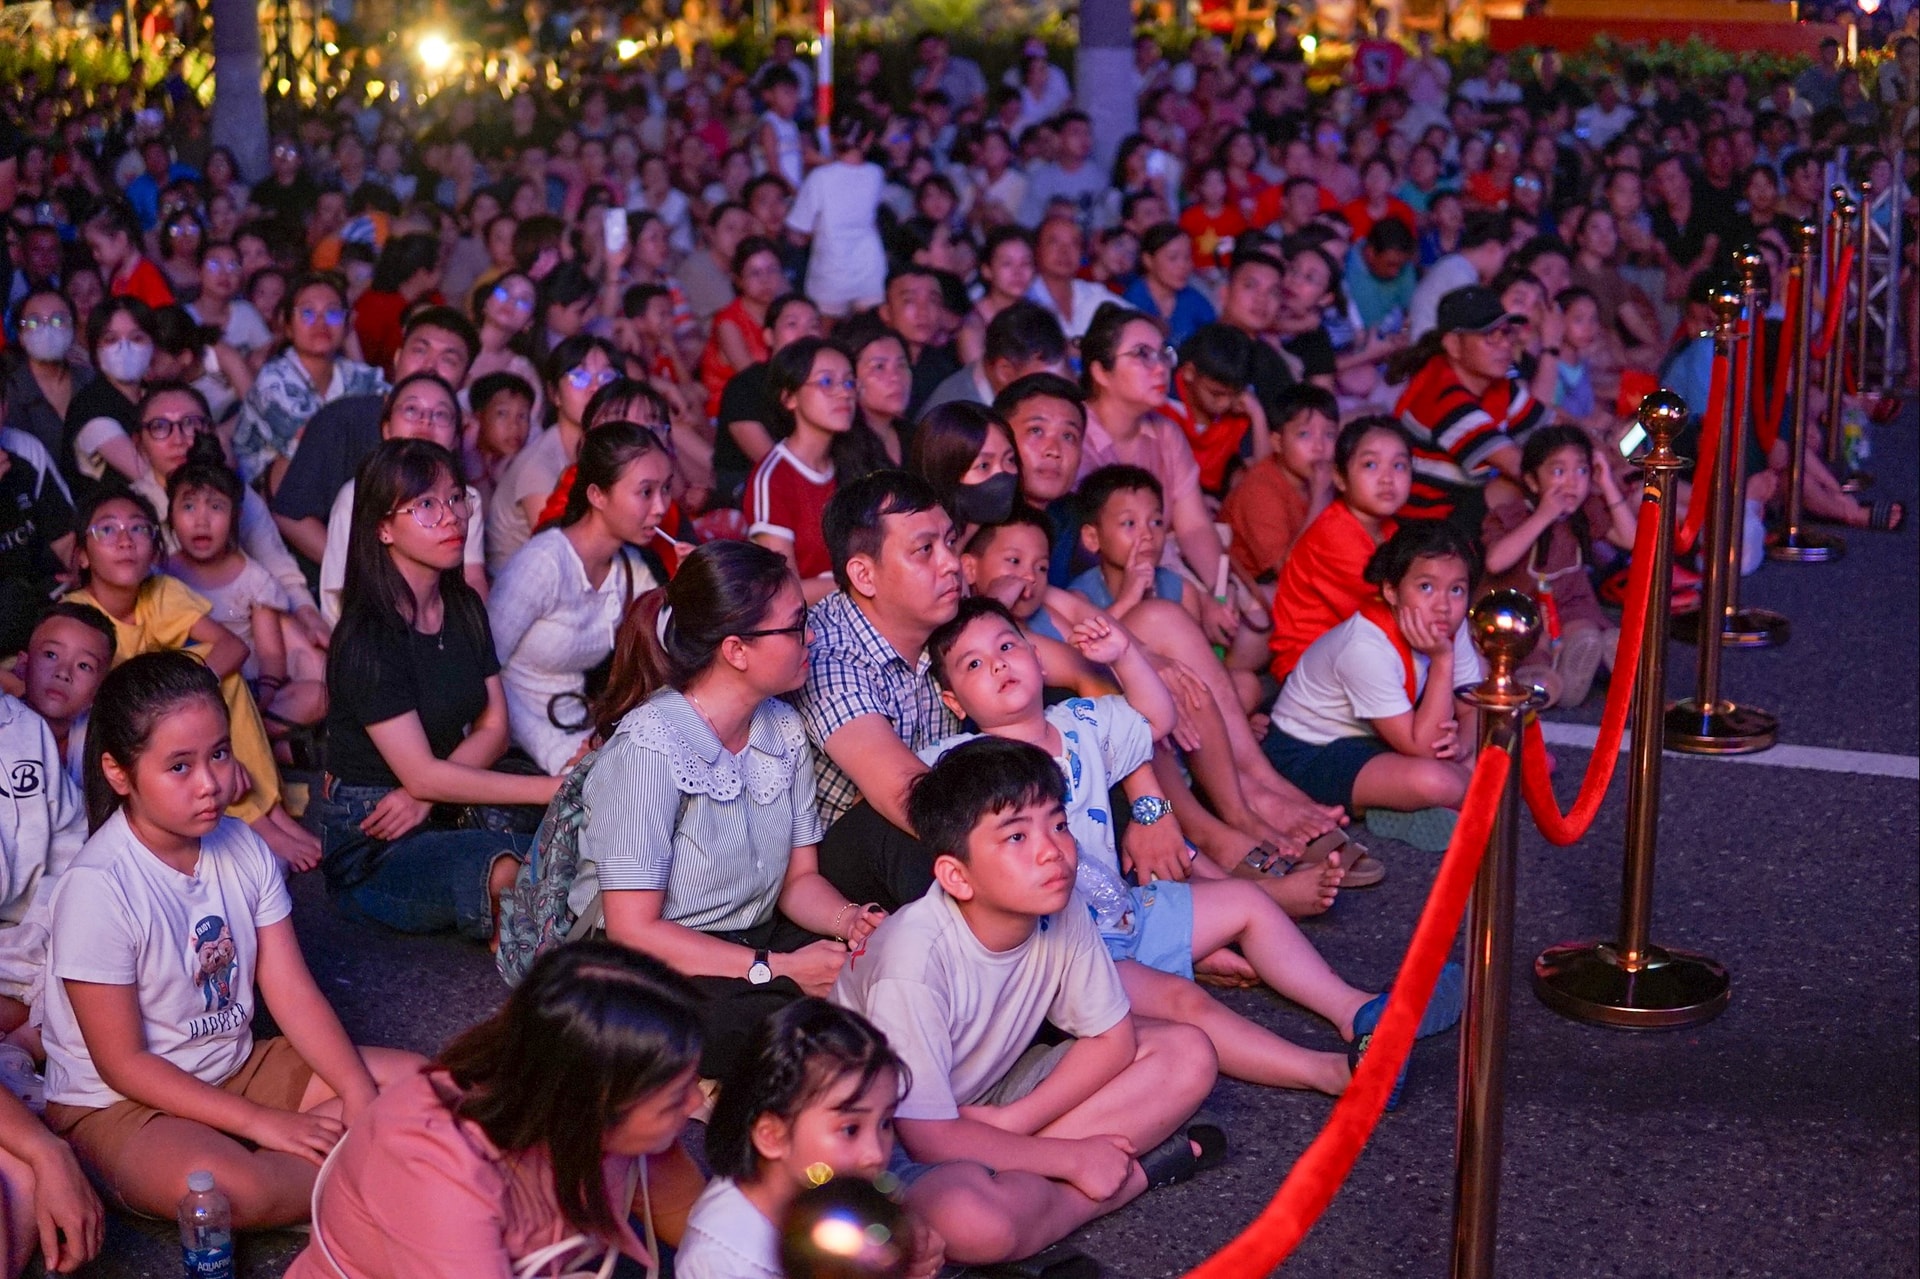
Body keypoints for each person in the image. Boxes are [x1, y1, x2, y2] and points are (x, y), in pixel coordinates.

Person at [923, 600, 1462, 1094]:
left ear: (1038, 660)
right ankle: (1332, 1074)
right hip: (1067, 953)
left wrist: (1126, 655)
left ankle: (1357, 1009)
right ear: (953, 701)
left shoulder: (1084, 721)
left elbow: (1156, 718)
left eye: (1007, 646)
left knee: (1250, 903)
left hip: (1127, 912)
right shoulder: (962, 762)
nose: (996, 664)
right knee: (1187, 1005)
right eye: (972, 665)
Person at [43, 652, 418, 1227]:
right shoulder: (99, 887)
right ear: (119, 773)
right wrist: (261, 1123)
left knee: (426, 1085)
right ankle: (386, 1166)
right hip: (119, 1106)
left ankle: (360, 1159)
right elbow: (124, 1064)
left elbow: (291, 992)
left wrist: (356, 1092)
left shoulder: (242, 846)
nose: (210, 784)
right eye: (179, 767)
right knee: (226, 1192)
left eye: (219, 754)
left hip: (233, 1065)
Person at [831, 738, 1222, 1267]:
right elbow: (926, 1137)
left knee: (1189, 1054)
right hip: (891, 1137)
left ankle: (1042, 1195)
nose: (1051, 850)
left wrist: (1014, 1122)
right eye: (1016, 834)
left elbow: (1113, 1037)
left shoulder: (1057, 900)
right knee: (971, 1223)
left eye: (1058, 824)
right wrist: (1068, 1157)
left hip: (989, 1101)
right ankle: (1125, 1179)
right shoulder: (915, 959)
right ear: (956, 876)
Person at [578, 540, 883, 1079]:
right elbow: (635, 930)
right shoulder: (650, 747)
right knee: (778, 1030)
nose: (811, 637)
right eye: (794, 627)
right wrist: (781, 969)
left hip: (752, 936)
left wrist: (847, 920)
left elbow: (798, 880)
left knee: (859, 973)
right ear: (736, 650)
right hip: (657, 962)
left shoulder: (782, 728)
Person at [289, 942, 708, 1279]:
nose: (697, 1103)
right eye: (674, 1100)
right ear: (584, 1112)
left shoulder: (595, 1116)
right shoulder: (432, 1168)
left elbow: (713, 1238)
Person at [315, 440, 561, 939]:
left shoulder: (464, 606)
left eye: (455, 498)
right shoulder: (367, 635)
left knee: (572, 846)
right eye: (425, 504)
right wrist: (554, 791)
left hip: (446, 799)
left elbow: (495, 727)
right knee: (512, 869)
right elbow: (422, 772)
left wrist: (425, 794)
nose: (450, 517)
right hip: (375, 834)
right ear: (382, 528)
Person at [63, 487, 318, 868]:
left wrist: (194, 694)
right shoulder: (75, 616)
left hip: (177, 730)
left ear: (154, 547)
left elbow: (232, 648)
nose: (124, 541)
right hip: (119, 740)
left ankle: (273, 811)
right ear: (82, 555)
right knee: (190, 681)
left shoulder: (158, 591)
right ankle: (259, 820)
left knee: (210, 672)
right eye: (107, 530)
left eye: (138, 529)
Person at [1263, 523, 1485, 853]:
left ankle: (1404, 803)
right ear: (1391, 591)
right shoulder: (1365, 647)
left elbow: (1471, 708)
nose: (1443, 606)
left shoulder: (1450, 625)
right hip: (1312, 751)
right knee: (1439, 780)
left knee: (1490, 750)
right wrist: (1442, 661)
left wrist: (1464, 748)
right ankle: (1402, 800)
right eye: (1426, 587)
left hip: (1381, 738)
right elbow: (1423, 747)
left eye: (1456, 590)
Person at [683, 999, 941, 1279]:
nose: (876, 1153)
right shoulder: (725, 1263)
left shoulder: (830, 1194)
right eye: (850, 1129)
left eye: (885, 1123)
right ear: (772, 1136)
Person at [490, 422, 669, 772]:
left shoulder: (630, 570)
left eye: (666, 489)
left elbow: (668, 652)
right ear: (597, 495)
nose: (661, 506)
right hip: (518, 744)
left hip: (582, 733)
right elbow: (484, 671)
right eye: (646, 492)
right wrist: (556, 755)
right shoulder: (544, 563)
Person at [164, 448, 328, 729]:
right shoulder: (162, 573)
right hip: (187, 689)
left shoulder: (254, 578)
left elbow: (271, 653)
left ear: (236, 516)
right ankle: (272, 747)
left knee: (318, 695)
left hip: (249, 689)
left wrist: (264, 694)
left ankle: (252, 733)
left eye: (216, 507)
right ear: (170, 516)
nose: (201, 521)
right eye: (188, 507)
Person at [1481, 425, 1636, 709]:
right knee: (1537, 660)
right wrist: (1543, 515)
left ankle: (1591, 657)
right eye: (1557, 472)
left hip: (1569, 607)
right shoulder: (1513, 515)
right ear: (1532, 481)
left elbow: (1632, 539)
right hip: (1523, 617)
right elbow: (1496, 560)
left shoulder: (1584, 514)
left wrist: (1607, 483)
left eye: (1581, 471)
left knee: (1586, 632)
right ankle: (1553, 682)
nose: (1571, 483)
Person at [319, 373, 491, 624]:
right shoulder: (357, 494)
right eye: (412, 409)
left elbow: (473, 577)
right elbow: (340, 592)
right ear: (386, 428)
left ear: (456, 438)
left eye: (441, 414)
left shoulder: (467, 498)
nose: (425, 421)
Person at [1388, 285, 1544, 532]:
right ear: (1453, 345)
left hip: (1463, 507)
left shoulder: (1496, 384)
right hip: (1426, 529)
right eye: (1489, 336)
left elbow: (1551, 425)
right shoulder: (1440, 392)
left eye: (1506, 333)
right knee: (1530, 483)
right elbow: (1518, 465)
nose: (1504, 344)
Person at [1268, 415, 1412, 683]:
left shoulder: (1391, 530)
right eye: (1370, 465)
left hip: (1358, 655)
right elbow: (1383, 608)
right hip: (1306, 667)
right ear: (1340, 477)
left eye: (1400, 466)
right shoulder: (1333, 534)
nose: (1387, 478)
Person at [487, 335, 620, 571]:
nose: (596, 387)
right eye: (579, 377)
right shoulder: (539, 466)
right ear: (554, 394)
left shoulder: (601, 447)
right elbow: (563, 554)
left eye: (607, 376)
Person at [746, 338, 856, 599]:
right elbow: (785, 591)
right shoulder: (773, 477)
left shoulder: (853, 460)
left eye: (849, 382)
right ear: (789, 397)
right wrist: (867, 582)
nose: (844, 393)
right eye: (827, 382)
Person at [1220, 383, 1340, 594]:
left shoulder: (1329, 479)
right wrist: (1321, 497)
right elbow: (1287, 572)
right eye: (1305, 435)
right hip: (1247, 590)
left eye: (1329, 435)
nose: (1319, 447)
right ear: (1277, 442)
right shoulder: (1260, 490)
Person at [785, 117, 887, 319]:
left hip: (830, 276)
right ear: (868, 139)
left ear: (832, 138)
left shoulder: (820, 178)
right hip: (869, 274)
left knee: (823, 340)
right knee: (869, 333)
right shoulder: (877, 174)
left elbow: (798, 231)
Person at [16, 602, 116, 789]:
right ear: (23, 664)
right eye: (51, 655)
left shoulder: (100, 750)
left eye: (84, 666)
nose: (63, 673)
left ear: (100, 689)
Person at [1121, 225, 1217, 348]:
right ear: (1148, 260)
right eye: (1173, 258)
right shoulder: (1130, 301)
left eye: (1187, 257)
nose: (1183, 266)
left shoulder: (1195, 300)